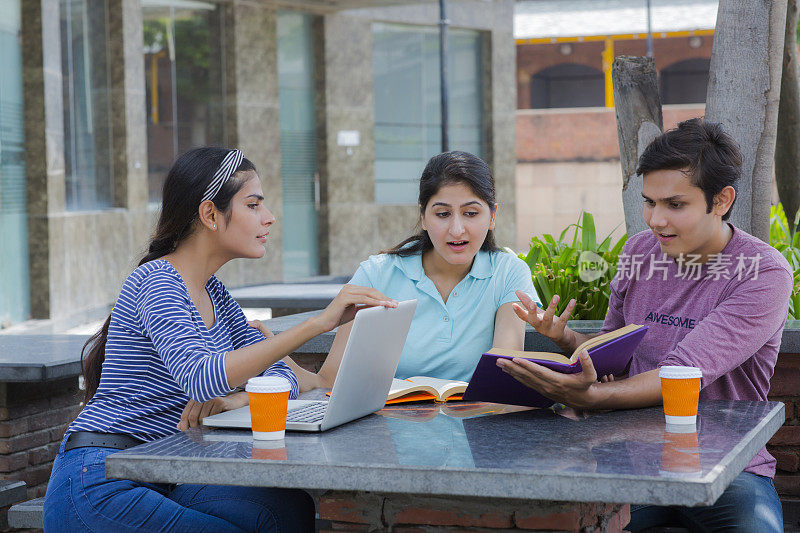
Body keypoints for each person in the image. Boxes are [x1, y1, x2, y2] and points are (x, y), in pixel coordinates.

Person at [42, 147, 397, 532]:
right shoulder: (158, 282)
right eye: (253, 205)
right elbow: (201, 377)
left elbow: (282, 375)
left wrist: (243, 397)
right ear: (210, 214)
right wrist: (317, 324)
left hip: (165, 470)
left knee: (285, 508)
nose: (269, 217)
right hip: (100, 477)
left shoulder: (215, 294)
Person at [502, 118, 791, 532]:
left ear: (722, 200)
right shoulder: (641, 250)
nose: (656, 220)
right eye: (649, 202)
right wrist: (565, 338)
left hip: (728, 465)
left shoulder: (762, 273)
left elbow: (682, 374)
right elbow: (612, 353)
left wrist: (590, 397)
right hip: (629, 457)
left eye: (675, 205)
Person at [281, 150, 536, 390]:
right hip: (390, 427)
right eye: (442, 214)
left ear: (492, 216)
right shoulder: (376, 274)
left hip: (478, 425)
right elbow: (330, 380)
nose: (457, 229)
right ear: (424, 217)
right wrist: (274, 355)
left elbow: (504, 372)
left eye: (470, 213)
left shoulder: (509, 273)